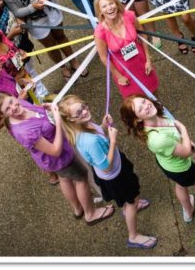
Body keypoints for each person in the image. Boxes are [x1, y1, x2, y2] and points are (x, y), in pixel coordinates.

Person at [0, 92, 115, 223]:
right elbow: (55, 151)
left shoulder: (21, 104)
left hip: (53, 161)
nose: (13, 107)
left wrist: (47, 109)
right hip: (59, 159)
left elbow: (40, 114)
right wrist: (58, 121)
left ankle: (78, 209)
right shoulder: (25, 132)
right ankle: (90, 214)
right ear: (2, 115)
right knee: (81, 178)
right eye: (7, 109)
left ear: (13, 96)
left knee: (64, 178)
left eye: (11, 102)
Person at [59, 95, 157, 249]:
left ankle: (128, 206)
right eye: (78, 112)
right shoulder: (89, 140)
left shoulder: (83, 126)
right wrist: (112, 140)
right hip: (115, 175)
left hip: (116, 168)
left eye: (84, 106)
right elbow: (105, 165)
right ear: (71, 119)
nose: (84, 111)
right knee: (132, 199)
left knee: (129, 198)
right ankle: (133, 235)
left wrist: (103, 126)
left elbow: (98, 143)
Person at [120, 95, 195, 230]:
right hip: (182, 168)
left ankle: (188, 212)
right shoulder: (157, 139)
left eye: (143, 101)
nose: (146, 105)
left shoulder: (156, 116)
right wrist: (184, 130)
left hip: (168, 164)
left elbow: (174, 135)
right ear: (138, 119)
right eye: (140, 109)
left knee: (181, 185)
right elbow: (186, 152)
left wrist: (184, 140)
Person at [0, 49, 59, 185]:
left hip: (26, 111)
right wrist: (18, 100)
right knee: (38, 149)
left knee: (46, 139)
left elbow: (11, 83)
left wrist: (21, 82)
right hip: (20, 124)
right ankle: (52, 174)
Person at [94, 0, 159, 98]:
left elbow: (142, 35)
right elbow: (104, 57)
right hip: (124, 73)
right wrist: (118, 76)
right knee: (136, 102)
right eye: (104, 6)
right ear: (100, 11)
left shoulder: (129, 15)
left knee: (154, 93)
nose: (109, 8)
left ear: (116, 3)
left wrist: (148, 59)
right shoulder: (100, 32)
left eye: (111, 3)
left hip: (142, 63)